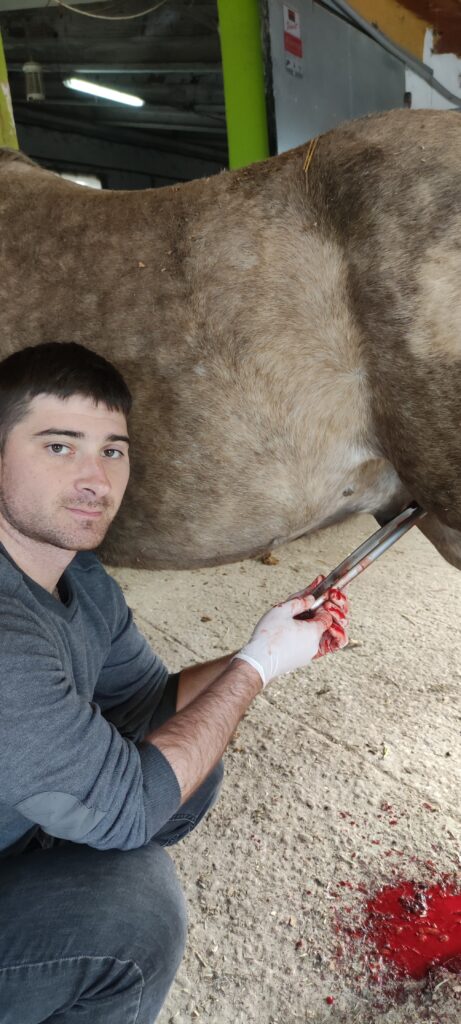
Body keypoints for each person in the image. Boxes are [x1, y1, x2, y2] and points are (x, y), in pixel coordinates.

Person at [0, 342, 349, 1024]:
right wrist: (255, 669)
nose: (96, 478)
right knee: (133, 912)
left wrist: (270, 642)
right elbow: (131, 808)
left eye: (113, 450)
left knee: (189, 755)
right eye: (59, 448)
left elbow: (145, 703)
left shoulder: (79, 576)